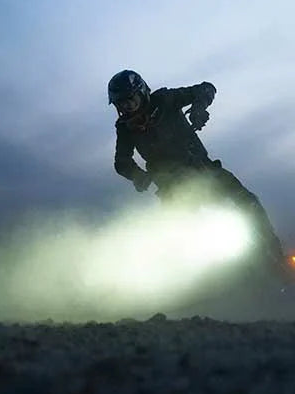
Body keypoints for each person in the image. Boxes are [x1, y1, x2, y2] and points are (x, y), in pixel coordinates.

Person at [108, 69, 284, 263]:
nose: (126, 106)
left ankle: (276, 254)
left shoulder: (165, 99)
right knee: (181, 240)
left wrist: (199, 108)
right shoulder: (124, 129)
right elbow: (121, 162)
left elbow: (206, 89)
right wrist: (137, 175)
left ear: (141, 92)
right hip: (172, 189)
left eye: (129, 99)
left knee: (249, 202)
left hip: (205, 170)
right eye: (120, 103)